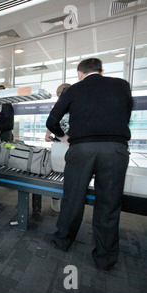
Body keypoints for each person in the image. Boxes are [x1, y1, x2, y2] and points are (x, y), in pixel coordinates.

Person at [46, 58, 133, 271]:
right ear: (101, 71)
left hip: (82, 149)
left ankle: (63, 241)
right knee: (109, 204)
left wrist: (64, 137)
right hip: (115, 149)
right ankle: (105, 258)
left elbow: (51, 122)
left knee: (73, 198)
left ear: (80, 73)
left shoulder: (74, 90)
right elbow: (126, 114)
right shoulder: (122, 85)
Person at [45, 83, 71, 212]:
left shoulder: (75, 105)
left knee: (69, 173)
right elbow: (51, 121)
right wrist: (47, 134)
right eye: (59, 96)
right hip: (58, 142)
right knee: (56, 172)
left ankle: (68, 199)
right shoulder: (59, 106)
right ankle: (55, 199)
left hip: (72, 144)